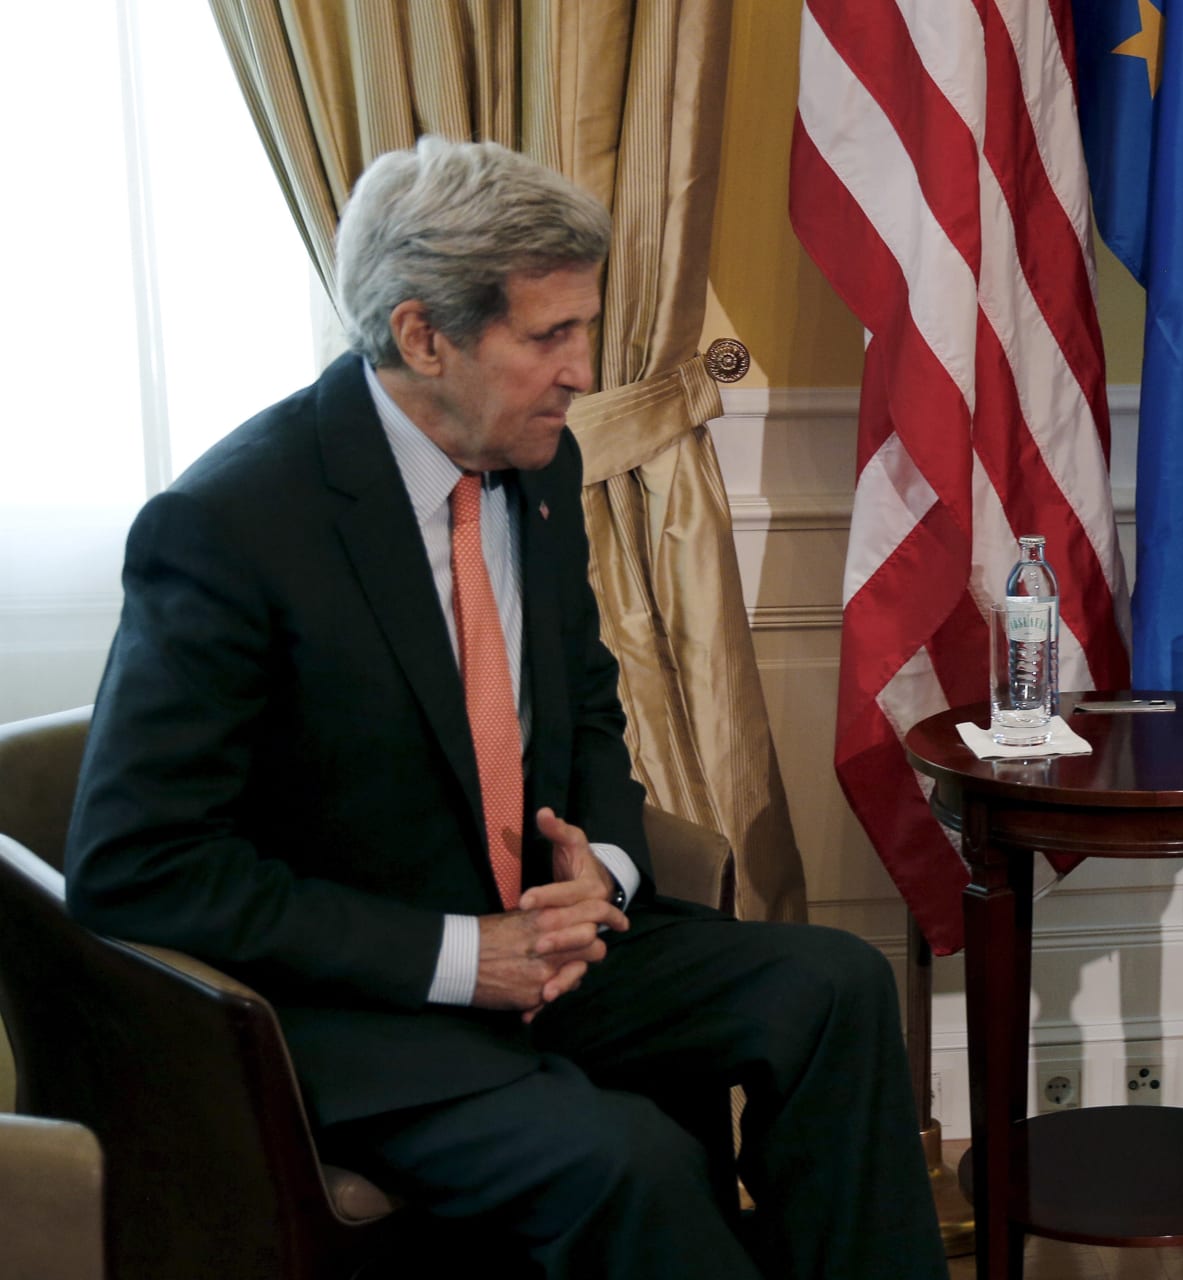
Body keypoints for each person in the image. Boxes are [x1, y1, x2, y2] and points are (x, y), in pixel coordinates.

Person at [64, 135, 947, 1280]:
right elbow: (135, 865)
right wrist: (458, 955)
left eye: (585, 326)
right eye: (550, 335)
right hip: (360, 1004)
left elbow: (587, 714)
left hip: (552, 952)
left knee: (834, 984)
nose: (585, 368)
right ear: (425, 334)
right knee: (629, 1160)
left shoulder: (539, 468)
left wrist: (609, 873)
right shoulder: (231, 527)